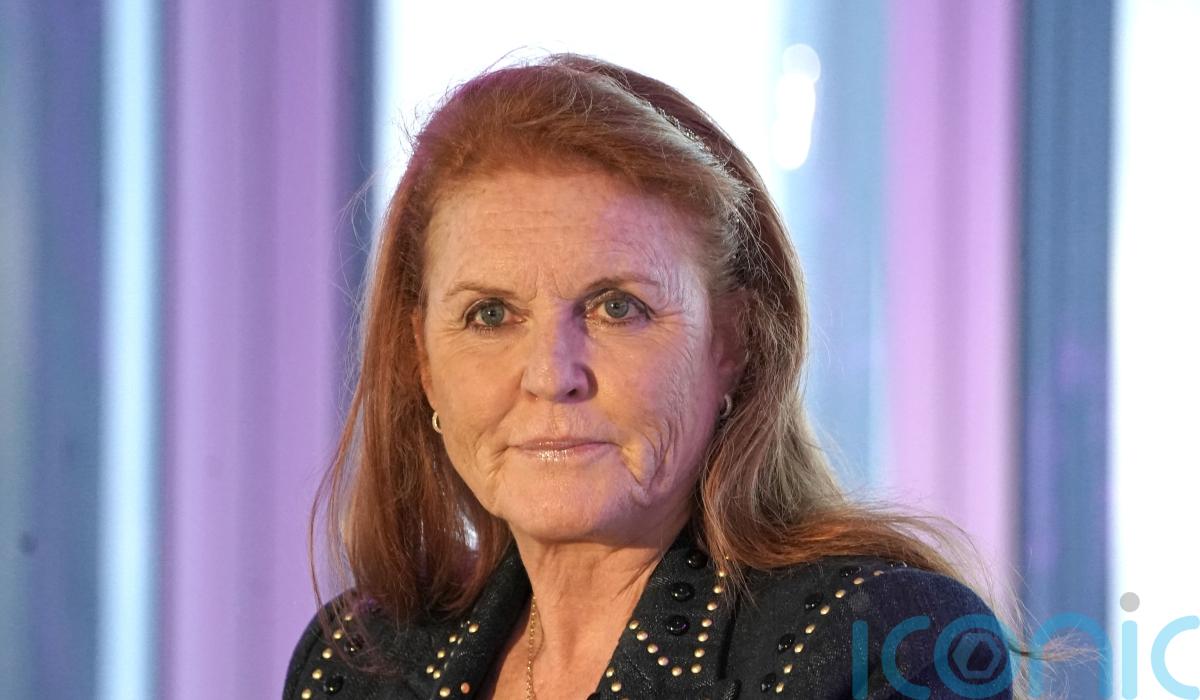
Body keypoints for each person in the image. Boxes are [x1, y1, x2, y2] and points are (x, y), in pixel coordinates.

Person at [284, 53, 1022, 699]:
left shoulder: (883, 646)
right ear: (422, 361)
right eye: (491, 315)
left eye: (616, 307)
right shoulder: (353, 664)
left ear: (731, 343)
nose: (551, 375)